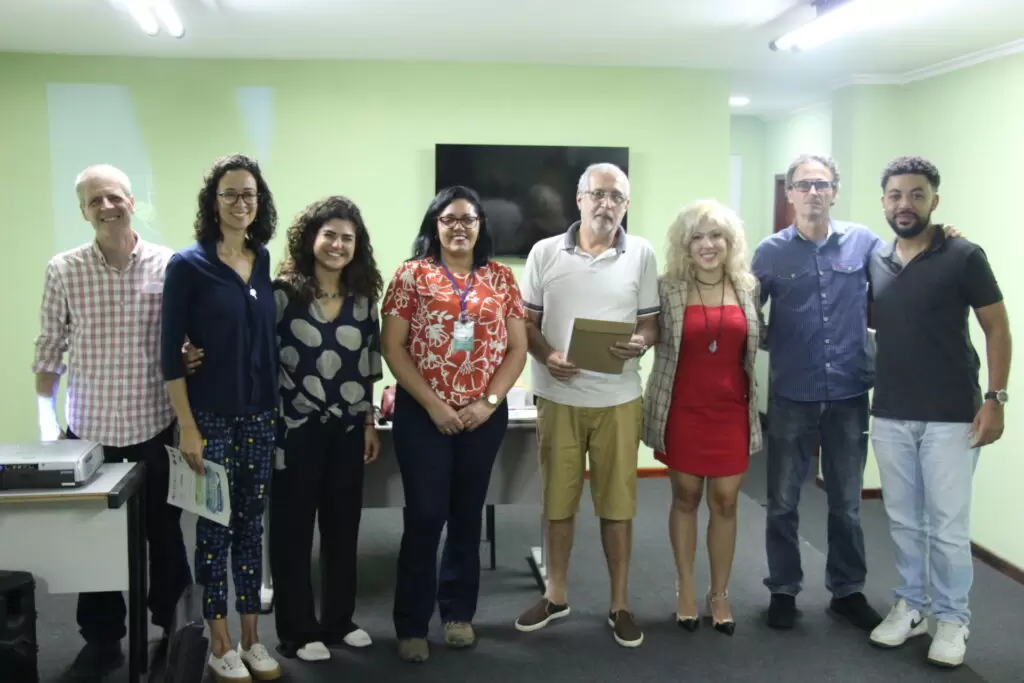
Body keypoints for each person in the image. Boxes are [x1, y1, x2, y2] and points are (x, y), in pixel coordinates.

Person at [32, 164, 192, 680]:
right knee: (93, 542)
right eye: (94, 200)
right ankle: (102, 642)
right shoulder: (64, 269)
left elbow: (185, 340)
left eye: (114, 197)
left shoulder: (169, 264)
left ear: (132, 202)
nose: (106, 206)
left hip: (154, 427)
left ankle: (171, 630)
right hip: (90, 434)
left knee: (164, 535)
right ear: (83, 211)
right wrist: (48, 433)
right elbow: (48, 352)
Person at [865, 156, 1010, 669]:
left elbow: (997, 328)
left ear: (934, 201)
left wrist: (995, 399)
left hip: (952, 416)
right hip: (890, 413)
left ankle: (952, 618)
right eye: (896, 195)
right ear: (884, 202)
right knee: (904, 520)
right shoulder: (876, 260)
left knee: (947, 526)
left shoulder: (964, 255)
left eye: (917, 194)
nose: (905, 204)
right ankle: (912, 606)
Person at [514, 163, 659, 648]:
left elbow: (651, 323)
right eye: (598, 194)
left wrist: (640, 341)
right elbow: (527, 323)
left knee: (618, 505)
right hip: (558, 398)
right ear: (579, 199)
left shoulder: (641, 254)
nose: (606, 204)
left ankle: (620, 604)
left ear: (626, 205)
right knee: (558, 501)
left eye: (616, 197)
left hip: (619, 399)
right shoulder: (544, 252)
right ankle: (555, 595)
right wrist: (548, 356)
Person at [380, 185, 527, 663]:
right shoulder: (411, 275)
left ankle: (458, 614)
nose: (459, 227)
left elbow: (517, 348)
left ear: (481, 225)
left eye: (468, 219)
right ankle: (411, 624)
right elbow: (393, 347)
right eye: (449, 219)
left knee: (467, 516)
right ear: (435, 225)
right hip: (424, 416)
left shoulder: (501, 278)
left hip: (482, 417)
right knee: (425, 517)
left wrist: (488, 403)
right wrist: (434, 406)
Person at [751, 154, 886, 632]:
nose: (813, 192)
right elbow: (745, 311)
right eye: (804, 184)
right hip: (792, 393)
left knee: (846, 502)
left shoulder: (865, 242)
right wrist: (770, 339)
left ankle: (847, 591)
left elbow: (902, 278)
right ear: (789, 193)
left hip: (849, 393)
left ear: (834, 192)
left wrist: (941, 238)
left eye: (822, 184)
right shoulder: (770, 252)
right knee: (783, 501)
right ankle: (783, 589)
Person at [161, 153, 281, 681]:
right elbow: (170, 356)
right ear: (214, 202)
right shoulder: (188, 266)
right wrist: (188, 426)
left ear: (259, 202)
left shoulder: (263, 259)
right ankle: (220, 643)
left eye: (248, 194)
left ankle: (252, 639)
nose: (240, 203)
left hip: (260, 417)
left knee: (252, 527)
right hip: (209, 419)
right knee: (214, 529)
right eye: (229, 193)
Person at [268, 196, 384, 662]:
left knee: (342, 527)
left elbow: (368, 366)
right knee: (293, 531)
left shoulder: (364, 298)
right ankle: (297, 632)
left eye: (347, 238)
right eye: (329, 235)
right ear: (310, 239)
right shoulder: (283, 293)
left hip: (349, 430)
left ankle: (339, 621)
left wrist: (369, 421)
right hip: (295, 429)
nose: (338, 245)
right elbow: (263, 362)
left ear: (357, 246)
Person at [642, 199, 762, 636]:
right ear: (684, 244)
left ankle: (720, 594)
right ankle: (687, 588)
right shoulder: (667, 288)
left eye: (716, 236)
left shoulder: (747, 286)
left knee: (726, 502)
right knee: (686, 498)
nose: (708, 245)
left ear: (730, 243)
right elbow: (648, 331)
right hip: (683, 410)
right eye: (697, 237)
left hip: (731, 411)